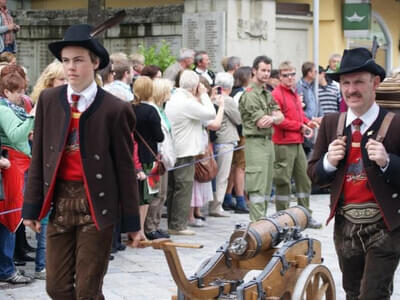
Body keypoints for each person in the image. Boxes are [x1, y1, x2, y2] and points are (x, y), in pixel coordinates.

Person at [22, 24, 141, 299]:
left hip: (96, 207)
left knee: (88, 291)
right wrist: (31, 208)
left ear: (95, 62)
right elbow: (39, 157)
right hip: (60, 205)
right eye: (65, 61)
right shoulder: (50, 100)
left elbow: (125, 168)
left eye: (78, 60)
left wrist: (133, 221)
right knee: (56, 287)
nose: (70, 67)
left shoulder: (116, 109)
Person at [307, 47, 400, 299]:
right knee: (352, 292)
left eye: (359, 81)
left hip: (385, 228)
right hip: (345, 227)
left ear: (375, 83)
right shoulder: (330, 123)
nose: (351, 89)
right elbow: (314, 175)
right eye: (345, 83)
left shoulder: (396, 124)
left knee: (373, 294)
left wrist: (388, 162)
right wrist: (327, 161)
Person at [271, 61, 321, 229]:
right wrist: (301, 126)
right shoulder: (276, 94)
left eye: (292, 74)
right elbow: (280, 121)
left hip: (297, 142)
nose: (290, 77)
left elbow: (299, 115)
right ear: (280, 77)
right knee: (283, 181)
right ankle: (283, 219)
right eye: (286, 75)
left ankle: (305, 215)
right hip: (283, 143)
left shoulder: (294, 92)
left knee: (304, 180)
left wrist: (309, 122)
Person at [165, 70, 216, 235]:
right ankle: (178, 225)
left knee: (175, 188)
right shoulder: (186, 102)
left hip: (177, 150)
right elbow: (210, 113)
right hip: (184, 151)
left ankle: (174, 223)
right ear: (195, 86)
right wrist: (205, 95)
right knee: (183, 187)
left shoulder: (175, 97)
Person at [239, 55, 283, 221]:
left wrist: (273, 118)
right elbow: (261, 122)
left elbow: (280, 116)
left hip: (267, 143)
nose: (266, 74)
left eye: (268, 71)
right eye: (263, 70)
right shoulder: (250, 95)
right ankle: (257, 225)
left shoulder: (266, 93)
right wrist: (273, 118)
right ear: (254, 71)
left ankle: (262, 224)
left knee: (265, 187)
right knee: (257, 188)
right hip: (255, 142)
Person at [0, 72, 34, 284]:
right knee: (9, 217)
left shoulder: (10, 108)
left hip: (15, 164)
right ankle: (6, 269)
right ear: (6, 92)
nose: (22, 96)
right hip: (11, 166)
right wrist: (32, 118)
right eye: (18, 91)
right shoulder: (4, 110)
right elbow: (16, 135)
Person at [132, 76, 164, 241]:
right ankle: (141, 230)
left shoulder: (128, 108)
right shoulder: (151, 111)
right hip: (147, 156)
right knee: (145, 197)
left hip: (131, 155)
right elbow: (159, 137)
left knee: (133, 194)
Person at [208, 72, 242, 217]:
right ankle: (217, 206)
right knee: (222, 175)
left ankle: (214, 203)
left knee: (215, 175)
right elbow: (238, 119)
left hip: (215, 140)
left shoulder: (212, 99)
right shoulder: (227, 100)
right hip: (226, 140)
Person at [144, 78, 174, 239]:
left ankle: (155, 224)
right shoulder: (152, 110)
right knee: (155, 193)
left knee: (162, 193)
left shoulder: (162, 110)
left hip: (164, 158)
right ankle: (150, 227)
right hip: (156, 157)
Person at [224, 66, 252, 213]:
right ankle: (240, 199)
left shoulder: (235, 93)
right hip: (242, 134)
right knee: (240, 167)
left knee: (234, 166)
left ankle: (228, 196)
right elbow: (240, 117)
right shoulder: (241, 94)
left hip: (237, 134)